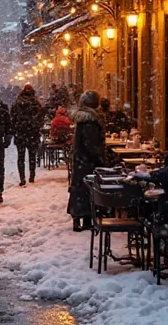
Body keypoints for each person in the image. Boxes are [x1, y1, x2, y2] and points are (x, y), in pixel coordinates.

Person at [67, 90, 105, 232]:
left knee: (79, 189)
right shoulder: (90, 120)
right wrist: (100, 158)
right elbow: (91, 144)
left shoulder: (83, 119)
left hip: (80, 159)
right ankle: (86, 219)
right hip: (87, 161)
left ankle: (78, 219)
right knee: (87, 189)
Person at [10, 84, 45, 186]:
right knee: (32, 155)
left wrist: (15, 128)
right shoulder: (35, 103)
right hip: (32, 133)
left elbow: (13, 117)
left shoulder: (17, 103)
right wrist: (36, 126)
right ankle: (32, 176)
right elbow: (40, 118)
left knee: (20, 157)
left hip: (20, 133)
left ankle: (22, 178)